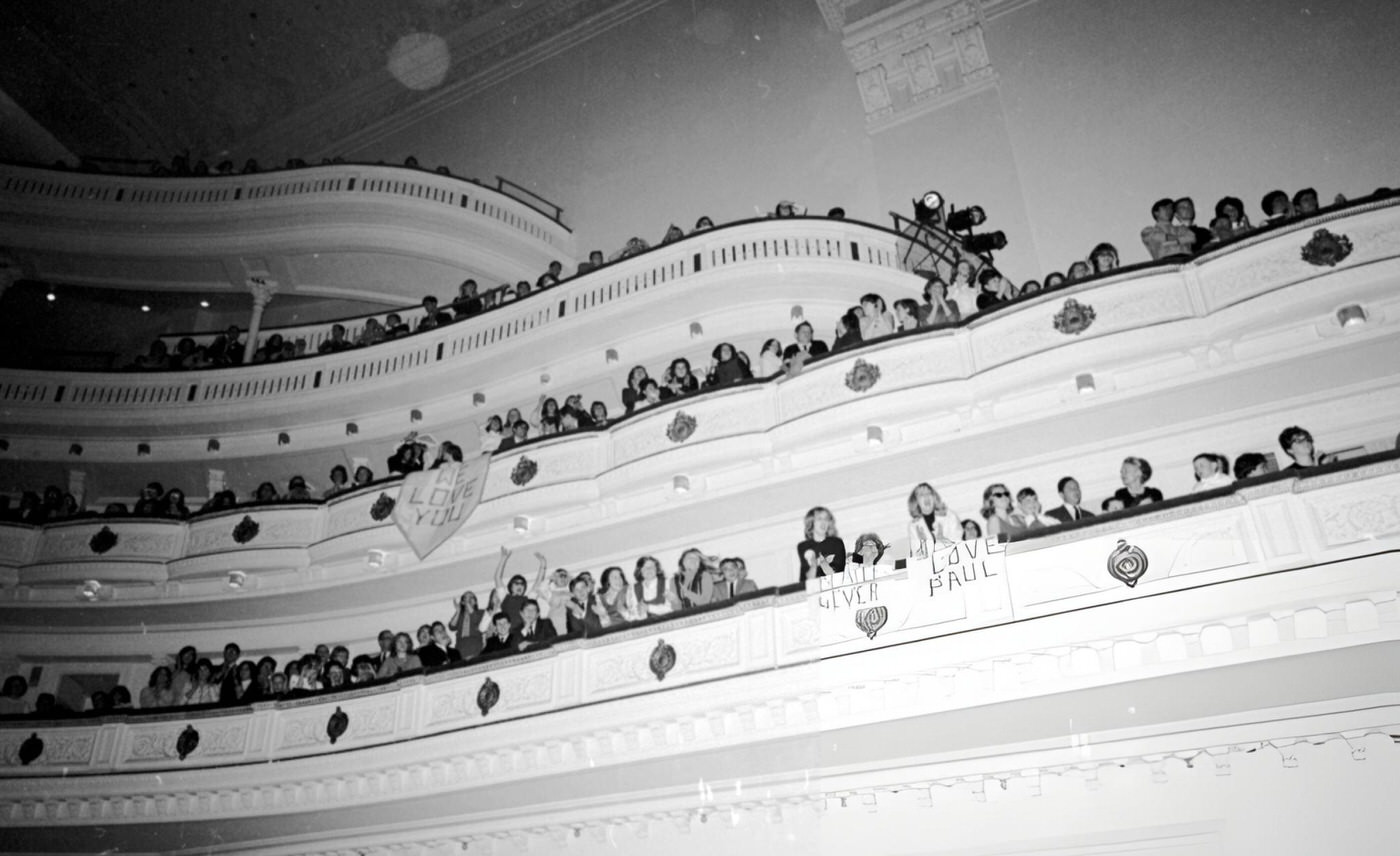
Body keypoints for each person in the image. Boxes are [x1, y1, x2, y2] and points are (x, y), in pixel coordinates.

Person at [906, 483, 963, 559]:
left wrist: (942, 539)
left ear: (934, 497)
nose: (926, 496)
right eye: (921, 495)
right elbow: (917, 554)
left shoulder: (949, 516)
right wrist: (924, 543)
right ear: (916, 501)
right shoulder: (913, 525)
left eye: (929, 493)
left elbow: (958, 542)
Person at [797, 506, 846, 582]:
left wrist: (822, 563)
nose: (824, 522)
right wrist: (814, 565)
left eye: (826, 519)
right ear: (811, 522)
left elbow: (839, 575)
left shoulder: (836, 543)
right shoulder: (803, 547)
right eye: (819, 519)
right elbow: (807, 579)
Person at [449, 590, 486, 659]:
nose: (468, 599)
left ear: (475, 602)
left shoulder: (481, 612)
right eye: (465, 598)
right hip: (460, 645)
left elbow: (476, 620)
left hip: (475, 644)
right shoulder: (460, 615)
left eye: (471, 597)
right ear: (462, 602)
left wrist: (468, 604)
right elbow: (452, 627)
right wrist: (458, 612)